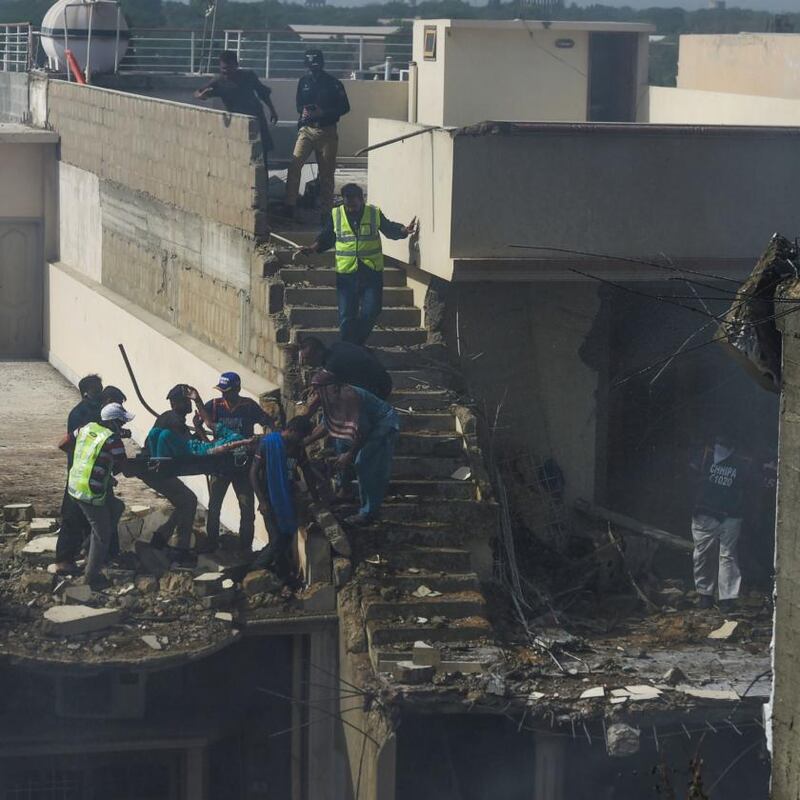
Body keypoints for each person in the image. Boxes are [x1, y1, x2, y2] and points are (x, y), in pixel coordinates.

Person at [301, 184, 418, 345]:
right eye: (348, 205)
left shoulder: (373, 213)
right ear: (343, 201)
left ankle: (354, 343)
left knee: (372, 310)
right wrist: (312, 248)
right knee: (347, 315)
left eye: (354, 204)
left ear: (361, 199)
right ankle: (349, 348)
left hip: (371, 271)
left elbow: (389, 228)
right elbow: (327, 237)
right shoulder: (336, 214)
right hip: (347, 273)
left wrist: (403, 230)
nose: (351, 208)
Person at [306, 370, 399, 526]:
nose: (315, 395)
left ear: (329, 388)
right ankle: (345, 489)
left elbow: (362, 431)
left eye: (317, 391)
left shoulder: (349, 398)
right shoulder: (332, 399)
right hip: (364, 427)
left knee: (363, 463)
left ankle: (368, 512)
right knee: (339, 442)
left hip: (381, 424)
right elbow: (326, 425)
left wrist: (349, 455)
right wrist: (304, 441)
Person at [200, 372, 274, 553]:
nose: (224, 395)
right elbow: (200, 422)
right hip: (220, 466)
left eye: (228, 391)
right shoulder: (215, 406)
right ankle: (212, 544)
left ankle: (245, 548)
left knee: (247, 508)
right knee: (214, 506)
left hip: (243, 466)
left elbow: (268, 422)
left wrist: (263, 442)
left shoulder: (249, 406)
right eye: (222, 391)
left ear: (237, 390)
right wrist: (207, 443)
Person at [67, 402, 134, 590]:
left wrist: (81, 462)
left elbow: (63, 443)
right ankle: (90, 578)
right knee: (103, 534)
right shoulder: (113, 440)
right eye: (121, 423)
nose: (122, 427)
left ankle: (87, 548)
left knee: (116, 508)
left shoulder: (86, 428)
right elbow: (124, 467)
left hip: (75, 484)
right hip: (90, 491)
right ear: (113, 423)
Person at [690, 430, 753, 613]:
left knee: (728, 556)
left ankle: (727, 599)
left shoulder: (743, 461)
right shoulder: (704, 454)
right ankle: (705, 595)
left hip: (731, 515)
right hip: (705, 513)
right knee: (703, 554)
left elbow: (749, 487)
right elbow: (691, 478)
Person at [282, 49, 350, 219]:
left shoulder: (333, 83)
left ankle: (326, 211)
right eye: (311, 66)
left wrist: (323, 112)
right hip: (307, 129)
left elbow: (344, 107)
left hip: (327, 131)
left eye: (316, 66)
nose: (314, 69)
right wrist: (304, 111)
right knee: (295, 165)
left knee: (326, 173)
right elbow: (299, 105)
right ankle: (290, 205)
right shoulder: (303, 81)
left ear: (322, 64)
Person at [249, 415, 317, 579]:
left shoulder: (297, 449)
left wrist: (316, 497)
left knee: (287, 536)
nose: (302, 440)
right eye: (300, 435)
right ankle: (255, 570)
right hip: (269, 498)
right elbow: (253, 473)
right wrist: (262, 501)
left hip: (288, 498)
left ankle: (280, 575)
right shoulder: (268, 443)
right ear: (292, 431)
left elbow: (307, 472)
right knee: (277, 539)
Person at [195, 50, 279, 173]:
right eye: (223, 69)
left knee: (261, 157)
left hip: (256, 120)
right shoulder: (218, 81)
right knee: (239, 157)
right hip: (237, 125)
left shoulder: (249, 76)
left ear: (236, 65)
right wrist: (202, 95)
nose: (226, 72)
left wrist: (272, 111)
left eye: (229, 68)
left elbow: (263, 94)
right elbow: (197, 93)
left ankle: (263, 188)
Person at [54, 374, 104, 574]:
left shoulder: (94, 411)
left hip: (93, 473)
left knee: (94, 514)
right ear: (86, 392)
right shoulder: (81, 413)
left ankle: (87, 553)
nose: (99, 393)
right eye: (96, 389)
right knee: (73, 514)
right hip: (81, 472)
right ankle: (64, 558)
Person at [299, 336, 392, 400]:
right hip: (384, 380)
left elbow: (321, 381)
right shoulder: (337, 346)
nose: (307, 362)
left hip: (378, 389)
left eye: (308, 358)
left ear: (319, 352)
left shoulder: (333, 364)